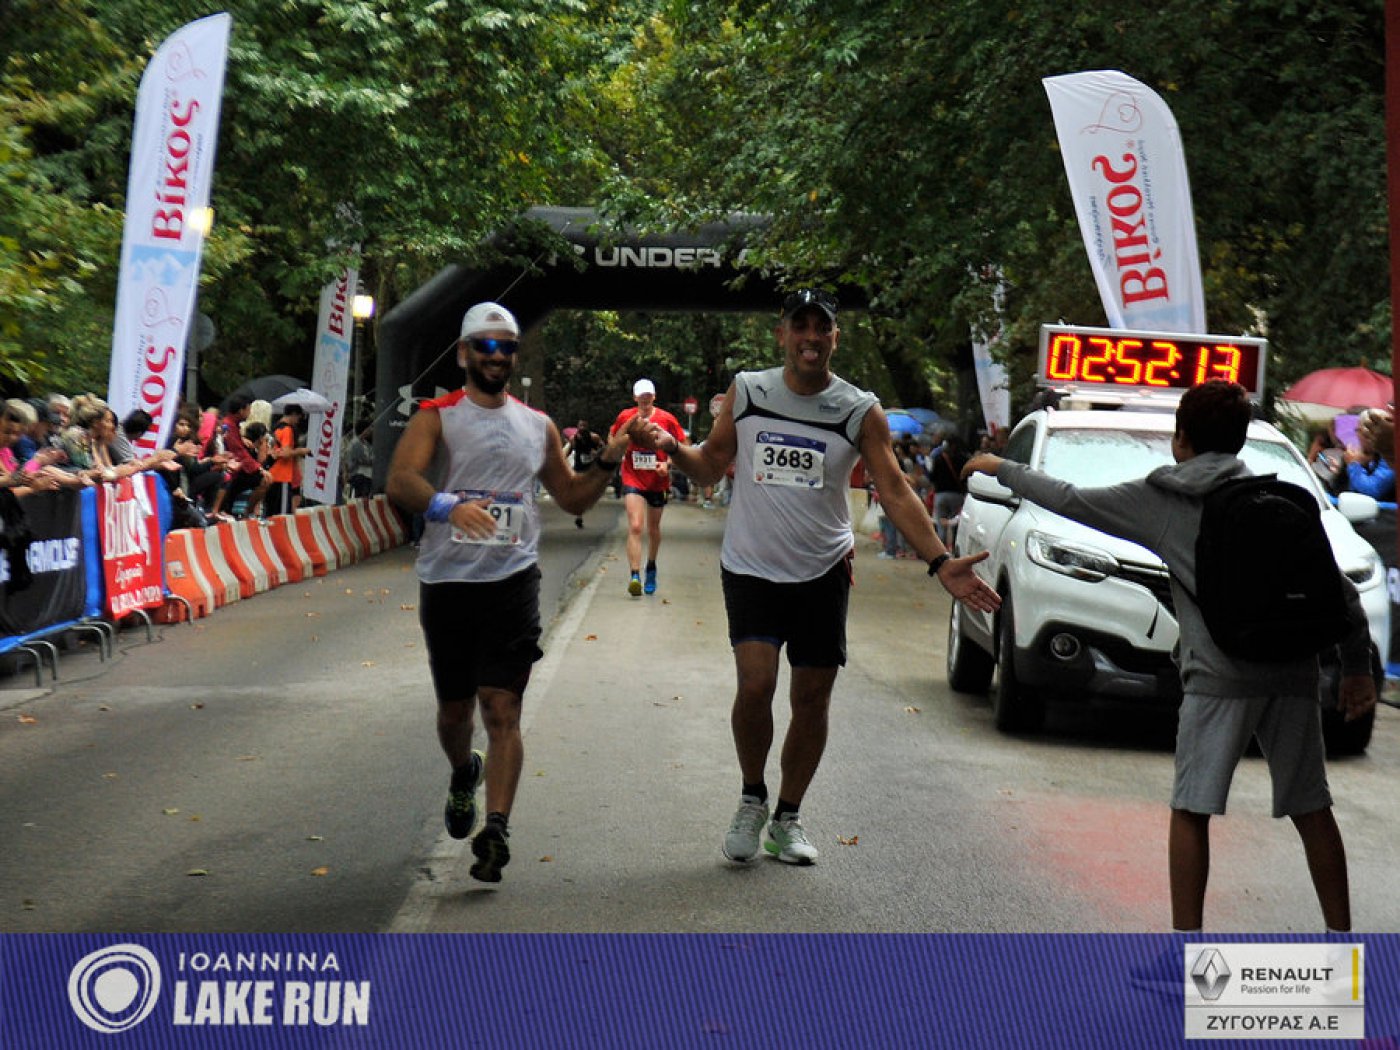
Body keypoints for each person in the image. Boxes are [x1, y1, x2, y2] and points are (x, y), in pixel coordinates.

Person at [962, 379, 1375, 931]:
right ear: (1239, 440)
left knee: (1191, 810)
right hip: (1293, 673)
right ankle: (1341, 945)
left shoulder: (1162, 499)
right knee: (1312, 808)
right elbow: (1340, 594)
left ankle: (1185, 951)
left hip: (1220, 678)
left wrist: (1001, 468)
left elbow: (1069, 498)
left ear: (1181, 439)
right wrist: (1356, 669)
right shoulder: (1279, 500)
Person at [633, 288, 1000, 866]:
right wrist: (673, 447)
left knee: (811, 698)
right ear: (782, 334)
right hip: (752, 566)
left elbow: (894, 489)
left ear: (834, 338)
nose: (810, 337)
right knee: (756, 685)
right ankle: (751, 798)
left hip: (822, 570)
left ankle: (787, 816)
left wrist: (939, 560)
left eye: (820, 327)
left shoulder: (859, 409)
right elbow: (709, 467)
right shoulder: (749, 392)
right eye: (799, 326)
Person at [386, 301, 642, 884]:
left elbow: (572, 497)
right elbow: (401, 480)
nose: (496, 355)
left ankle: (496, 829)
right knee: (455, 712)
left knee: (502, 708)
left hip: (513, 581)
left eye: (506, 347)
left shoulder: (537, 425)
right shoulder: (437, 417)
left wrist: (608, 459)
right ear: (463, 353)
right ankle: (462, 772)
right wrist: (448, 506)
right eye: (485, 345)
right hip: (449, 582)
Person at [610, 379, 687, 596]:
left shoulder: (666, 419)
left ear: (654, 397)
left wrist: (667, 464)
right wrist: (620, 448)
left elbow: (682, 446)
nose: (645, 399)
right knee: (635, 526)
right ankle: (634, 575)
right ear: (635, 397)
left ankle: (651, 567)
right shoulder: (626, 416)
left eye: (648, 396)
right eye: (641, 396)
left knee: (653, 529)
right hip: (633, 477)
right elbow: (613, 437)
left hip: (657, 481)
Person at [207, 395, 272, 521]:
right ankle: (224, 510)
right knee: (262, 479)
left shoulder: (234, 426)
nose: (249, 413)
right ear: (241, 410)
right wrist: (259, 468)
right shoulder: (228, 426)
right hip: (227, 464)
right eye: (248, 409)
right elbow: (238, 450)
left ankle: (244, 512)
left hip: (236, 464)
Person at [266, 404, 310, 516]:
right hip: (282, 475)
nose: (298, 421)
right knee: (283, 513)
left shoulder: (275, 428)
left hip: (272, 473)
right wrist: (301, 451)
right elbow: (286, 453)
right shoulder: (287, 430)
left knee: (272, 511)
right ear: (294, 414)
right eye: (298, 417)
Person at [928, 432, 969, 547]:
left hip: (940, 494)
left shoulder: (938, 458)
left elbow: (932, 477)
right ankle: (955, 547)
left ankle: (941, 549)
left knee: (941, 524)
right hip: (957, 495)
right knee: (956, 524)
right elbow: (966, 477)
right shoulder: (964, 459)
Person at [566, 420, 602, 528]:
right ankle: (579, 516)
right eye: (580, 426)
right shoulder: (573, 439)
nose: (582, 428)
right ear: (577, 428)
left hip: (591, 468)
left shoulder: (594, 437)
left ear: (587, 427)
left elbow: (604, 449)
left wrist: (596, 453)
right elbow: (568, 451)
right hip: (579, 467)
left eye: (584, 426)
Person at [342, 420, 374, 501]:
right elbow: (360, 459)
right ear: (364, 430)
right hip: (358, 475)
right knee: (360, 498)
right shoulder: (355, 444)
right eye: (369, 428)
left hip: (367, 475)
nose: (371, 430)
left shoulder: (366, 443)